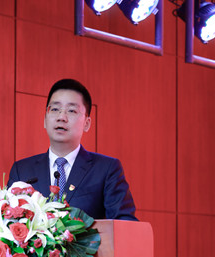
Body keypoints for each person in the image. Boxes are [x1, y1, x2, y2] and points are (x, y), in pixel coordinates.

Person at [8, 79, 137, 221]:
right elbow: (8, 219)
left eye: (71, 111)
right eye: (55, 109)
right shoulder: (22, 170)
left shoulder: (106, 169)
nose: (61, 117)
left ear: (87, 123)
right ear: (45, 119)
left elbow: (125, 224)